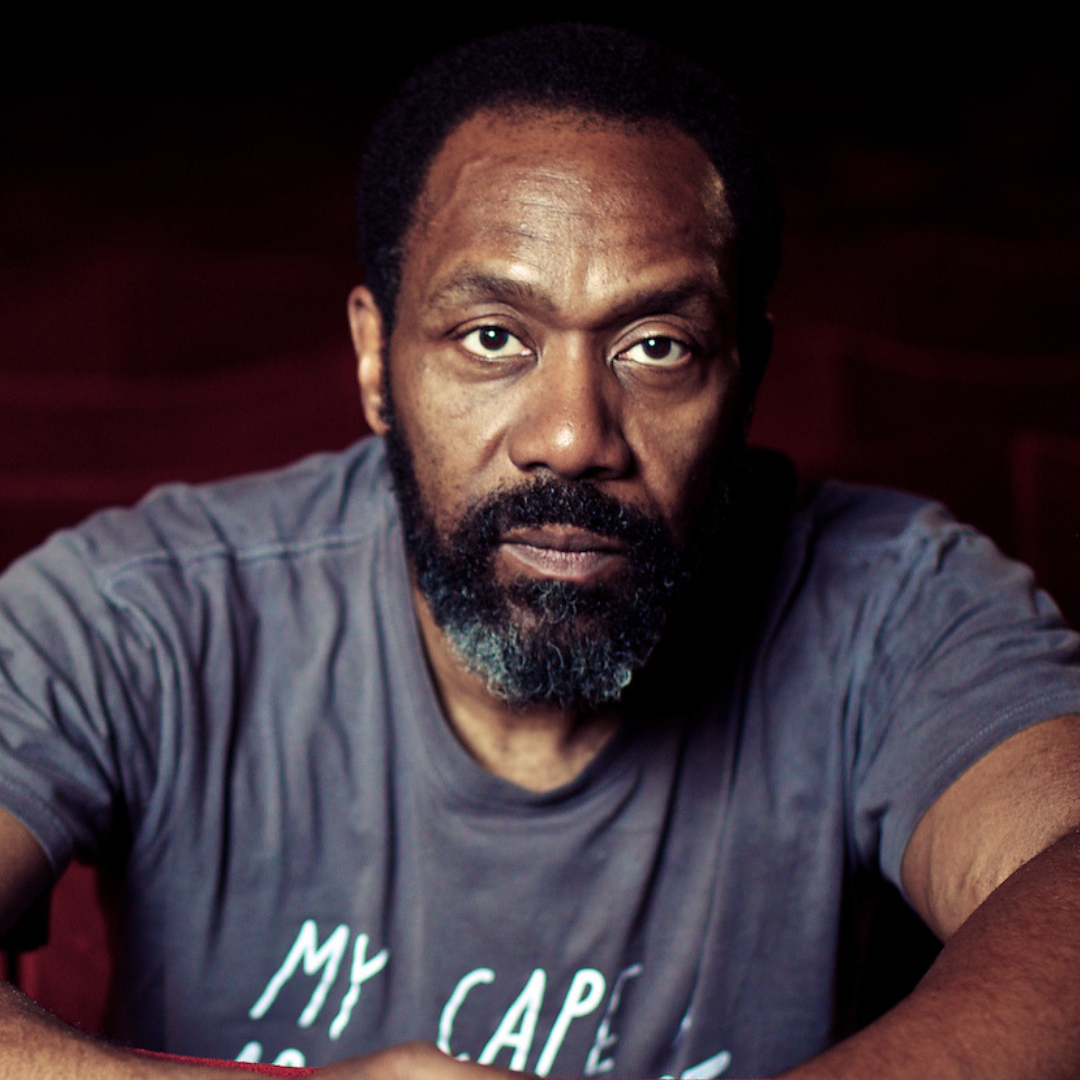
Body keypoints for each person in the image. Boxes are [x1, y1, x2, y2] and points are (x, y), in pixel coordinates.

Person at [2, 22, 1080, 1080]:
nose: (571, 437)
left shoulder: (895, 600)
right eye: (493, 338)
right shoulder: (143, 610)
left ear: (745, 377)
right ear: (376, 361)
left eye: (656, 347)